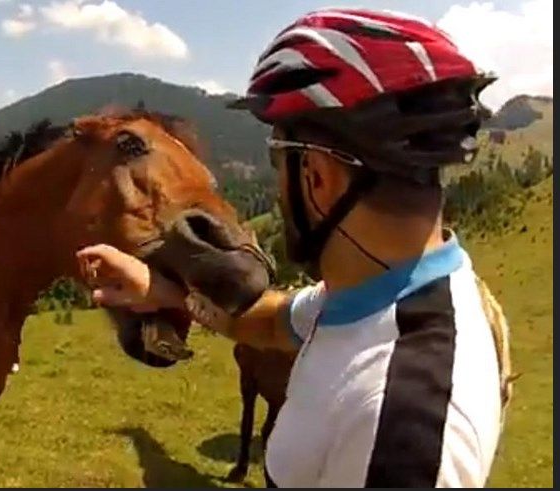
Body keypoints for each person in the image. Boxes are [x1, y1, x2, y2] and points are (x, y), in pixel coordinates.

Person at [76, 8, 514, 488]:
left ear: (318, 178)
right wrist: (163, 293)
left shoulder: (399, 427)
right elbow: (267, 322)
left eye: (278, 158)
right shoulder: (383, 296)